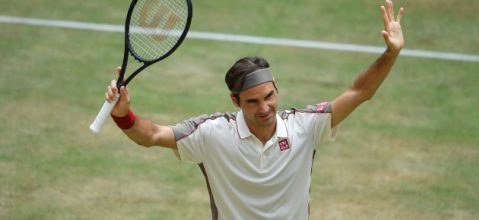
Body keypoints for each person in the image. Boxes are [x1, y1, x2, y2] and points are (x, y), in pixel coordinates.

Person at [105, 0, 404, 219]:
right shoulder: (211, 133)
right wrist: (122, 115)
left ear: (276, 87)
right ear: (235, 101)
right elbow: (152, 135)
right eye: (252, 101)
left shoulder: (306, 126)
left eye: (269, 96)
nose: (265, 108)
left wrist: (390, 53)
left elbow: (360, 91)